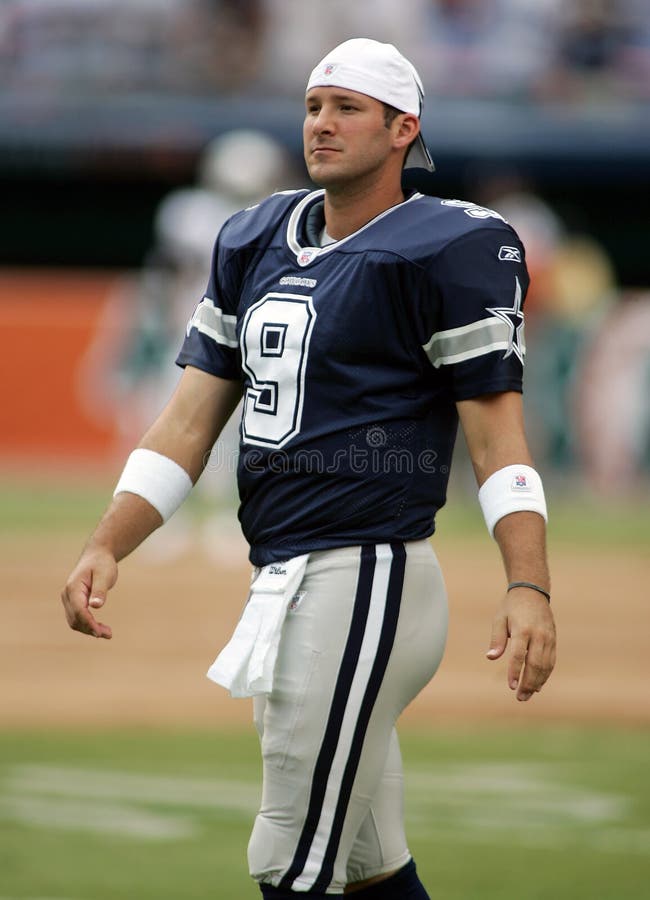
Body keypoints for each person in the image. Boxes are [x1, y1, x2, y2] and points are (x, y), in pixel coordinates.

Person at [61, 37, 556, 899]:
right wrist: (110, 542)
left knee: (288, 859)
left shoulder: (447, 246)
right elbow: (188, 420)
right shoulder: (254, 236)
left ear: (404, 129)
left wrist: (529, 586)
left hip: (367, 570)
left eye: (347, 108)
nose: (321, 124)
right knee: (367, 868)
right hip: (289, 573)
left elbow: (497, 440)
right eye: (313, 106)